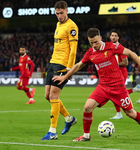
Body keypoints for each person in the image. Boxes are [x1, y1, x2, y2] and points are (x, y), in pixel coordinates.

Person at [52, 28, 140, 142]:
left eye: (96, 42)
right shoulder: (90, 53)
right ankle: (86, 135)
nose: (94, 45)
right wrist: (65, 76)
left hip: (118, 87)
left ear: (100, 38)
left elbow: (130, 53)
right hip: (103, 87)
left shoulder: (111, 46)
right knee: (87, 107)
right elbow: (79, 65)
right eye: (91, 42)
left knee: (130, 113)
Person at [41, 1, 78, 140]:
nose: (59, 16)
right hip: (53, 62)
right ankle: (69, 119)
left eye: (61, 13)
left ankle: (52, 131)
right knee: (47, 96)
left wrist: (69, 69)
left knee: (53, 96)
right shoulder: (58, 24)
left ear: (67, 11)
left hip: (62, 64)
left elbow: (73, 50)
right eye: (57, 13)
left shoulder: (72, 26)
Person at [109, 29, 140, 119]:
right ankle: (135, 89)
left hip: (121, 72)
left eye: (115, 35)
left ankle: (119, 114)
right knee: (114, 93)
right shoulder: (108, 47)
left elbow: (125, 62)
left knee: (116, 93)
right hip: (113, 73)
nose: (113, 37)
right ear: (110, 37)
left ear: (118, 37)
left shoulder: (120, 48)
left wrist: (114, 64)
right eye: (112, 35)